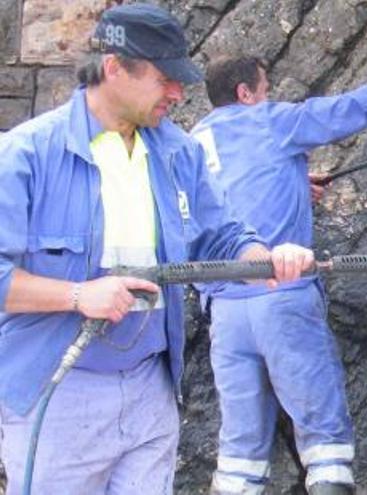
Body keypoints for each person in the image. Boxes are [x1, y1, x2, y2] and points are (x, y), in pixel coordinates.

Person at [0, 4, 314, 494]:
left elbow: (222, 236)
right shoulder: (26, 155)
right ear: (113, 68)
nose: (177, 92)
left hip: (152, 393)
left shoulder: (179, 152)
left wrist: (262, 259)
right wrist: (80, 296)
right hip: (58, 395)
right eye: (165, 78)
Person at [191, 50, 367, 494]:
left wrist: (290, 180)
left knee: (239, 451)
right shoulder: (269, 121)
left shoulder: (193, 142)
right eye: (266, 90)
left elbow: (227, 198)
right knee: (325, 441)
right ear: (245, 92)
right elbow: (345, 110)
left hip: (224, 316)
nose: (271, 97)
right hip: (280, 297)